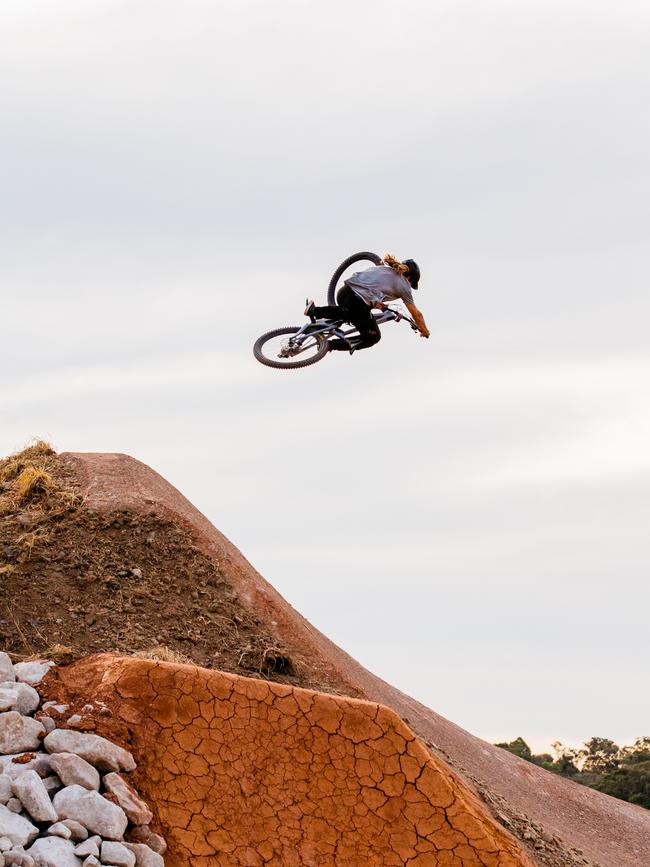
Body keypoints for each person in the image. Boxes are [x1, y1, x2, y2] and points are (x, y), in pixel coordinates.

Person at [304, 255, 430, 353]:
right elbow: (416, 314)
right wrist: (424, 330)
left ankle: (320, 317)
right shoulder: (404, 285)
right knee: (373, 337)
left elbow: (370, 287)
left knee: (351, 314)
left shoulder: (382, 269)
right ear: (410, 278)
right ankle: (329, 344)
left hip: (344, 292)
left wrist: (378, 304)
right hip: (358, 300)